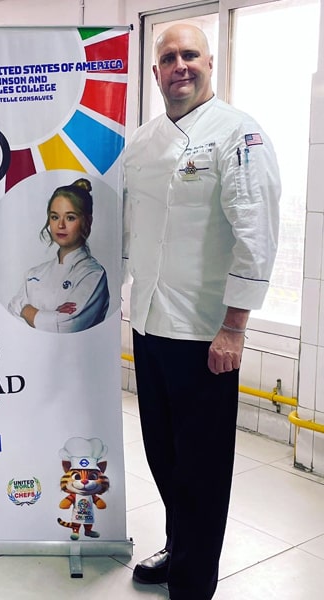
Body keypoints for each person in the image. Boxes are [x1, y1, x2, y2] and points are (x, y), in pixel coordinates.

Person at [122, 24, 280, 600]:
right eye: (169, 58)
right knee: (163, 455)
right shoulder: (142, 142)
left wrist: (235, 327)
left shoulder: (239, 135)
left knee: (203, 467)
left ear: (210, 63)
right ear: (156, 70)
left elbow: (256, 237)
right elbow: (131, 229)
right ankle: (179, 547)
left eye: (190, 55)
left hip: (207, 334)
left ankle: (194, 582)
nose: (180, 66)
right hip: (150, 324)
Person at [8, 178, 109, 333]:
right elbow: (12, 313)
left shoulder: (93, 274)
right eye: (55, 217)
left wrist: (26, 309)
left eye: (70, 217)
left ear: (87, 221)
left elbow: (67, 324)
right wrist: (50, 316)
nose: (60, 225)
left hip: (77, 355)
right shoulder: (34, 273)